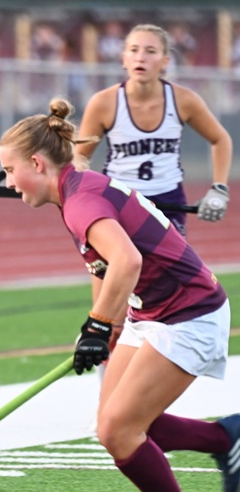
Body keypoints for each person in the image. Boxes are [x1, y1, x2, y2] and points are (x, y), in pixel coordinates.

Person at [0, 96, 239, 492]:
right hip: (151, 313)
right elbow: (111, 271)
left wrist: (96, 324)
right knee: (118, 423)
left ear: (36, 162)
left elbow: (125, 261)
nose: (8, 183)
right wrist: (102, 329)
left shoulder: (80, 202)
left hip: (189, 315)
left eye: (11, 171)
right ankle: (224, 436)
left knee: (118, 430)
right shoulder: (76, 189)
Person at [74, 23, 232, 388]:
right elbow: (81, 160)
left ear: (165, 60)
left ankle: (147, 388)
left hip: (166, 214)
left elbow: (219, 139)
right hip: (115, 212)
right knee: (108, 310)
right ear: (123, 57)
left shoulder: (183, 100)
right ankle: (108, 396)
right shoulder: (105, 102)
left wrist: (219, 189)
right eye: (133, 50)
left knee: (160, 303)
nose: (140, 57)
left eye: (149, 51)